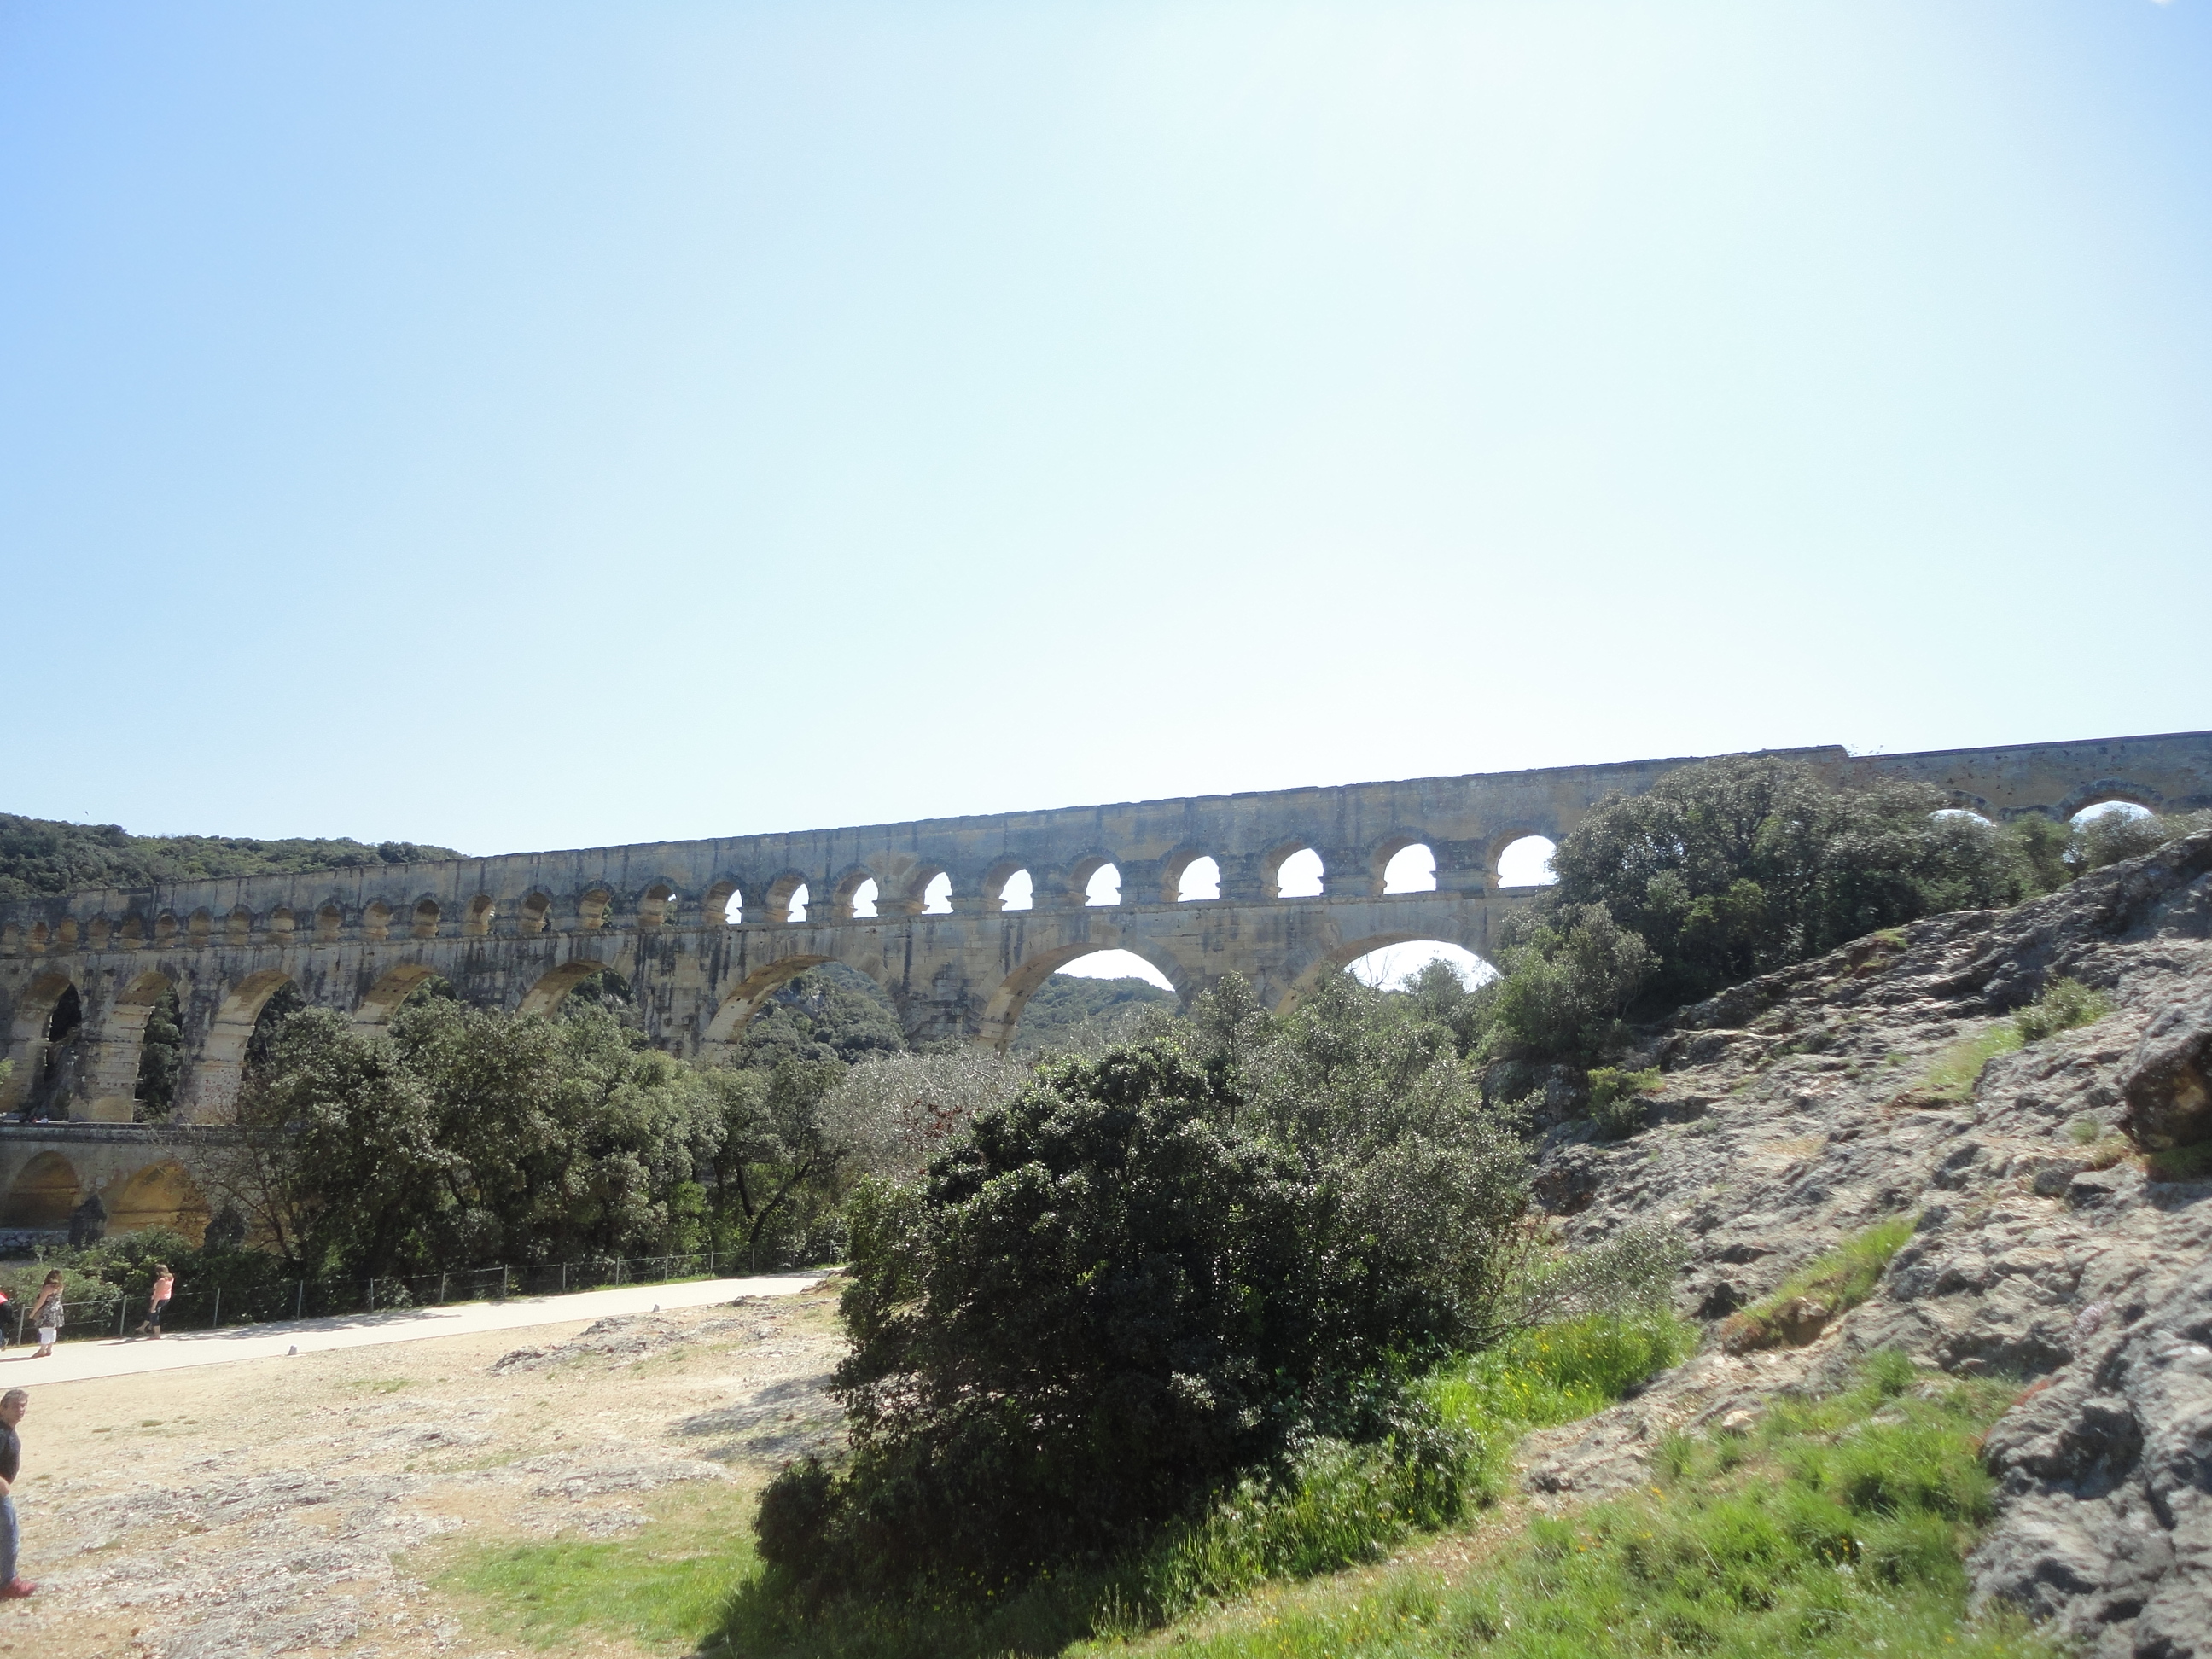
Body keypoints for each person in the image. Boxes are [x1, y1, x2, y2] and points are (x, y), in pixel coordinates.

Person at [0, 1388, 32, 1598]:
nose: (21, 1410)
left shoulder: (7, 1428)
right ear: (2, 1408)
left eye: (23, 1406)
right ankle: (8, 1583)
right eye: (15, 1406)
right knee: (9, 1535)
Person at [26, 1274, 61, 1360]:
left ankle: (42, 1350)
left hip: (47, 1310)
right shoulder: (60, 1287)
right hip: (57, 1309)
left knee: (44, 1330)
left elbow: (41, 1302)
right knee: (52, 1329)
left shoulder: (47, 1288)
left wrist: (33, 1312)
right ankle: (49, 1349)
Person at [137, 1265, 174, 1339]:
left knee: (154, 1315)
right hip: (166, 1298)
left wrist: (154, 1305)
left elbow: (158, 1294)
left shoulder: (162, 1280)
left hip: (159, 1299)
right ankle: (142, 1327)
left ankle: (157, 1335)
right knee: (150, 1312)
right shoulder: (170, 1278)